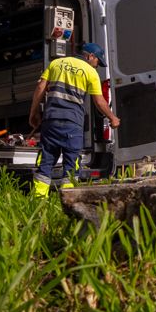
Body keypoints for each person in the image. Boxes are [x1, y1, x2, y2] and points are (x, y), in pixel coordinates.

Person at [29, 42, 120, 197]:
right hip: (72, 124)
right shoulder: (90, 73)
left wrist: (34, 113)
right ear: (90, 56)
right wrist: (113, 118)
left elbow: (40, 88)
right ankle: (68, 200)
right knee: (71, 164)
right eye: (97, 61)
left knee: (46, 161)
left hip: (51, 120)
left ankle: (38, 199)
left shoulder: (56, 63)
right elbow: (99, 101)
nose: (97, 65)